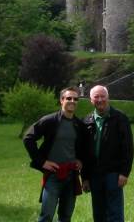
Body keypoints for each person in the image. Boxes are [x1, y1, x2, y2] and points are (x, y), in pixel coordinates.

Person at [23, 86, 88, 222]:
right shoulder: (50, 120)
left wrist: (80, 161)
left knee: (66, 216)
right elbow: (28, 138)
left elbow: (83, 148)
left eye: (75, 99)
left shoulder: (79, 125)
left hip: (71, 176)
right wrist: (42, 162)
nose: (72, 101)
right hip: (53, 176)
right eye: (68, 98)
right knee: (46, 215)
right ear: (61, 100)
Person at [83, 85, 134, 222]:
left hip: (114, 173)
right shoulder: (87, 121)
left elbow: (128, 148)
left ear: (108, 98)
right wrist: (85, 178)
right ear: (91, 100)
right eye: (96, 97)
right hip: (94, 175)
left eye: (102, 96)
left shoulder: (120, 118)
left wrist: (124, 173)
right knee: (98, 213)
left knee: (115, 213)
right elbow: (84, 153)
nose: (100, 99)